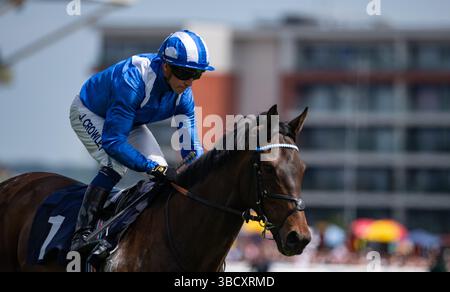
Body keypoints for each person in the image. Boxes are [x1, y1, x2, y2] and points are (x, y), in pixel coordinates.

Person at [69, 30, 213, 253]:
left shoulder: (184, 95)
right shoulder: (134, 80)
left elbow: (190, 147)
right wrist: (151, 167)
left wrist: (203, 176)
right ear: (166, 66)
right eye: (185, 72)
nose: (189, 81)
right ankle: (82, 233)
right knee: (116, 165)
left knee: (163, 174)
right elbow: (113, 141)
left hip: (131, 122)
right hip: (91, 112)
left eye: (197, 74)